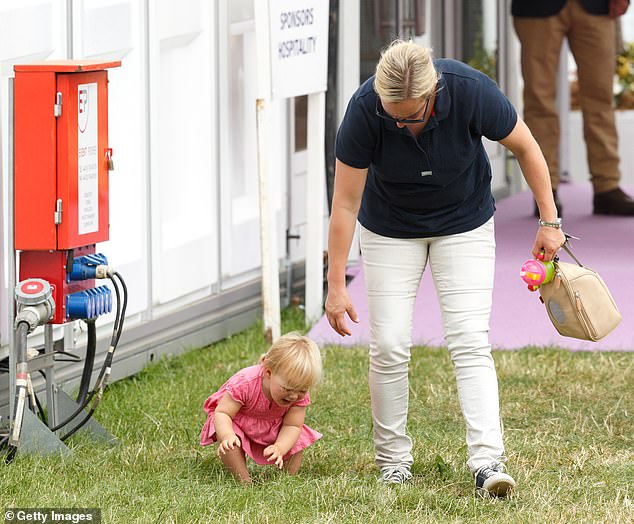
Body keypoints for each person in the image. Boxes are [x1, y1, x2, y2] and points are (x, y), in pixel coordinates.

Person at [325, 39, 566, 497]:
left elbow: (527, 147)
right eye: (391, 113)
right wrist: (336, 283)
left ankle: (487, 462)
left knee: (469, 339)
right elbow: (345, 202)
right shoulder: (363, 110)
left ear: (434, 94)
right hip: (390, 228)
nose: (399, 122)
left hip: (463, 222)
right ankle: (393, 463)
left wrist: (550, 221)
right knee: (390, 345)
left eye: (409, 115)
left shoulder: (470, 89)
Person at [512, 0, 634, 216]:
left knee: (601, 97)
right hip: (536, 8)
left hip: (597, 7)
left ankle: (607, 187)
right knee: (538, 100)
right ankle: (545, 191)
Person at [200, 332, 322, 483]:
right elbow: (222, 412)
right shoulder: (245, 383)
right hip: (240, 422)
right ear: (268, 372)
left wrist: (280, 447)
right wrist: (226, 435)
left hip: (274, 426)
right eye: (287, 389)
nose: (293, 396)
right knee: (230, 441)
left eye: (302, 390)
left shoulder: (298, 395)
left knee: (297, 440)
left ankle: (286, 481)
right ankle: (243, 480)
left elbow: (293, 425)